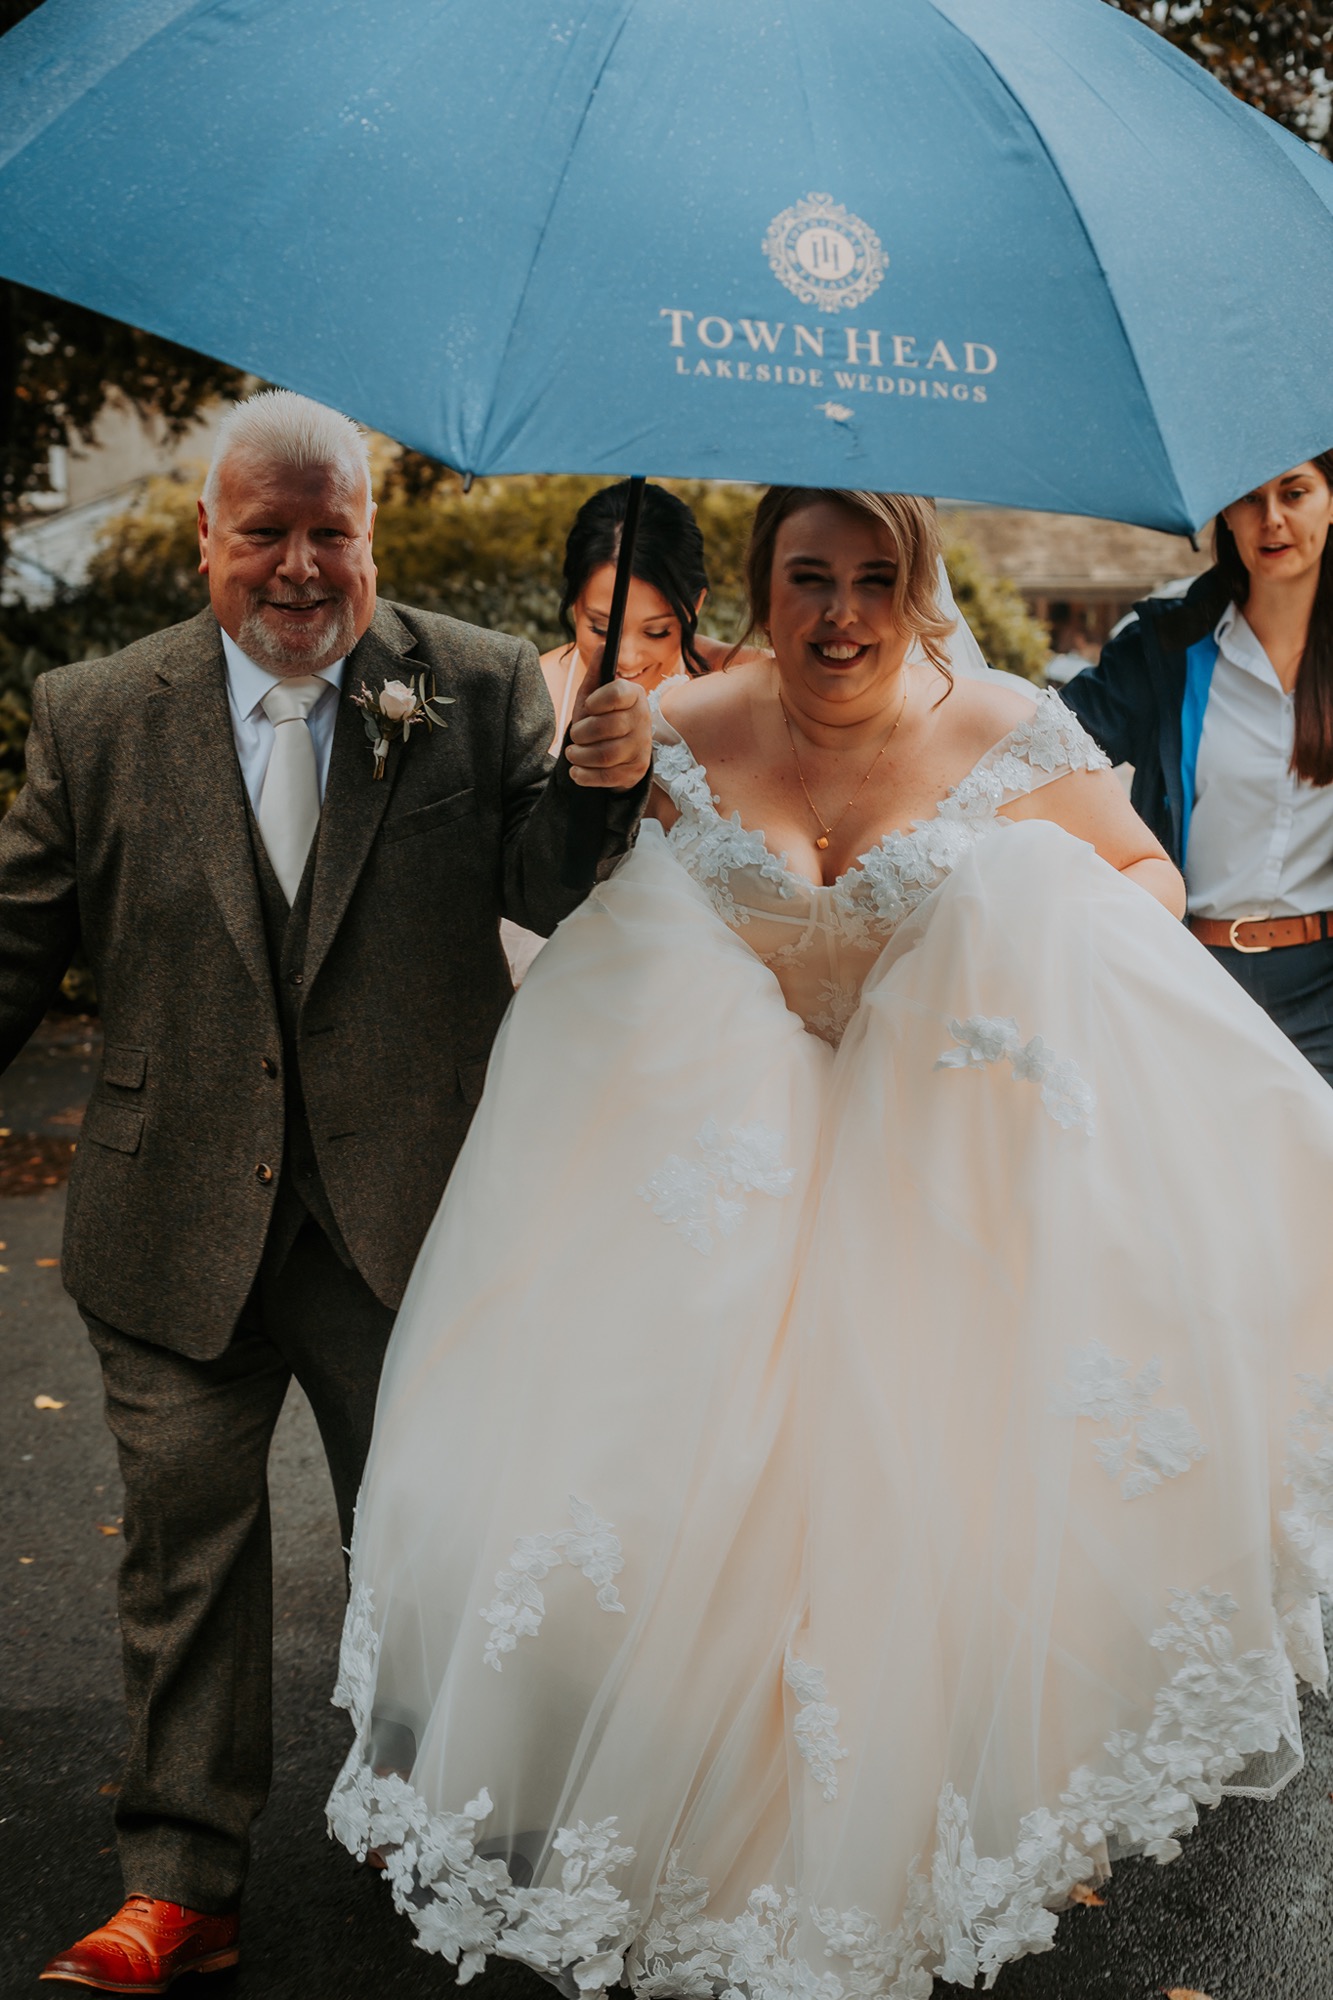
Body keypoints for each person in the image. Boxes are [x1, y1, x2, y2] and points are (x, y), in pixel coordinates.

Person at [328, 485, 1331, 1997]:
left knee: (920, 1504)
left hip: (925, 1164)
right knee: (695, 1505)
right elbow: (566, 892)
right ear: (762, 588)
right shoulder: (681, 730)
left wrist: (1020, 934)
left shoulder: (999, 727)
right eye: (809, 580)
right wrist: (592, 783)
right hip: (716, 1173)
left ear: (917, 590)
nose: (841, 614)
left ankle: (926, 1820)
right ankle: (705, 1816)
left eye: (873, 579)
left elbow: (1143, 879)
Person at [1, 389, 651, 1995]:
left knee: (423, 1552)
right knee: (185, 1560)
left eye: (330, 534)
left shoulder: (479, 682)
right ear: (207, 536)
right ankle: (179, 1885)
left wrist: (595, 786)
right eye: (264, 533)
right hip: (170, 1222)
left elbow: (544, 892)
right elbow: (12, 943)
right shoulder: (95, 711)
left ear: (371, 536)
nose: (299, 568)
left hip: (410, 1220)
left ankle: (424, 1818)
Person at [1061, 453, 1333, 1082]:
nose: (1272, 520)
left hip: (1324, 990)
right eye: (1248, 499)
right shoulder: (1166, 651)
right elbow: (1044, 756)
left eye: (1294, 494)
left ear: (1328, 501)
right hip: (1194, 977)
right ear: (1226, 516)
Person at [503, 479, 756, 982]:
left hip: (714, 973)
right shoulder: (531, 691)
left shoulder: (748, 686)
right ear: (573, 602)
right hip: (560, 965)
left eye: (658, 631)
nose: (627, 656)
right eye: (600, 627)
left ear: (697, 604)